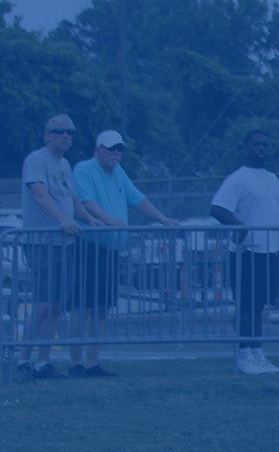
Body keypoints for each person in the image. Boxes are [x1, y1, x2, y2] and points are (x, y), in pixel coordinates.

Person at [71, 130, 177, 377]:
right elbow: (86, 203)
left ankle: (92, 363)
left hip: (111, 250)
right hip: (88, 247)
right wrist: (111, 221)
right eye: (110, 148)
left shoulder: (119, 173)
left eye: (119, 149)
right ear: (98, 150)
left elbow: (138, 199)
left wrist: (162, 218)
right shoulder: (84, 169)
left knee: (101, 309)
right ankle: (75, 364)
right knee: (81, 308)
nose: (116, 153)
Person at [210, 129, 279, 376]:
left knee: (259, 307)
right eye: (256, 144)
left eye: (265, 145)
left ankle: (258, 354)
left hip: (271, 252)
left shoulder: (273, 179)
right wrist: (240, 227)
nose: (261, 149)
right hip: (247, 253)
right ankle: (244, 355)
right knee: (246, 305)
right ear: (245, 148)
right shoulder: (238, 178)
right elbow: (217, 207)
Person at [17, 114, 87, 380]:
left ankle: (42, 364)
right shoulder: (37, 159)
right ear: (47, 135)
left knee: (57, 305)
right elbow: (40, 195)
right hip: (42, 243)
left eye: (70, 132)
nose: (65, 136)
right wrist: (63, 221)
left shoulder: (65, 164)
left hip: (64, 244)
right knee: (43, 304)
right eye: (59, 131)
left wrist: (90, 218)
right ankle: (23, 360)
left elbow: (73, 200)